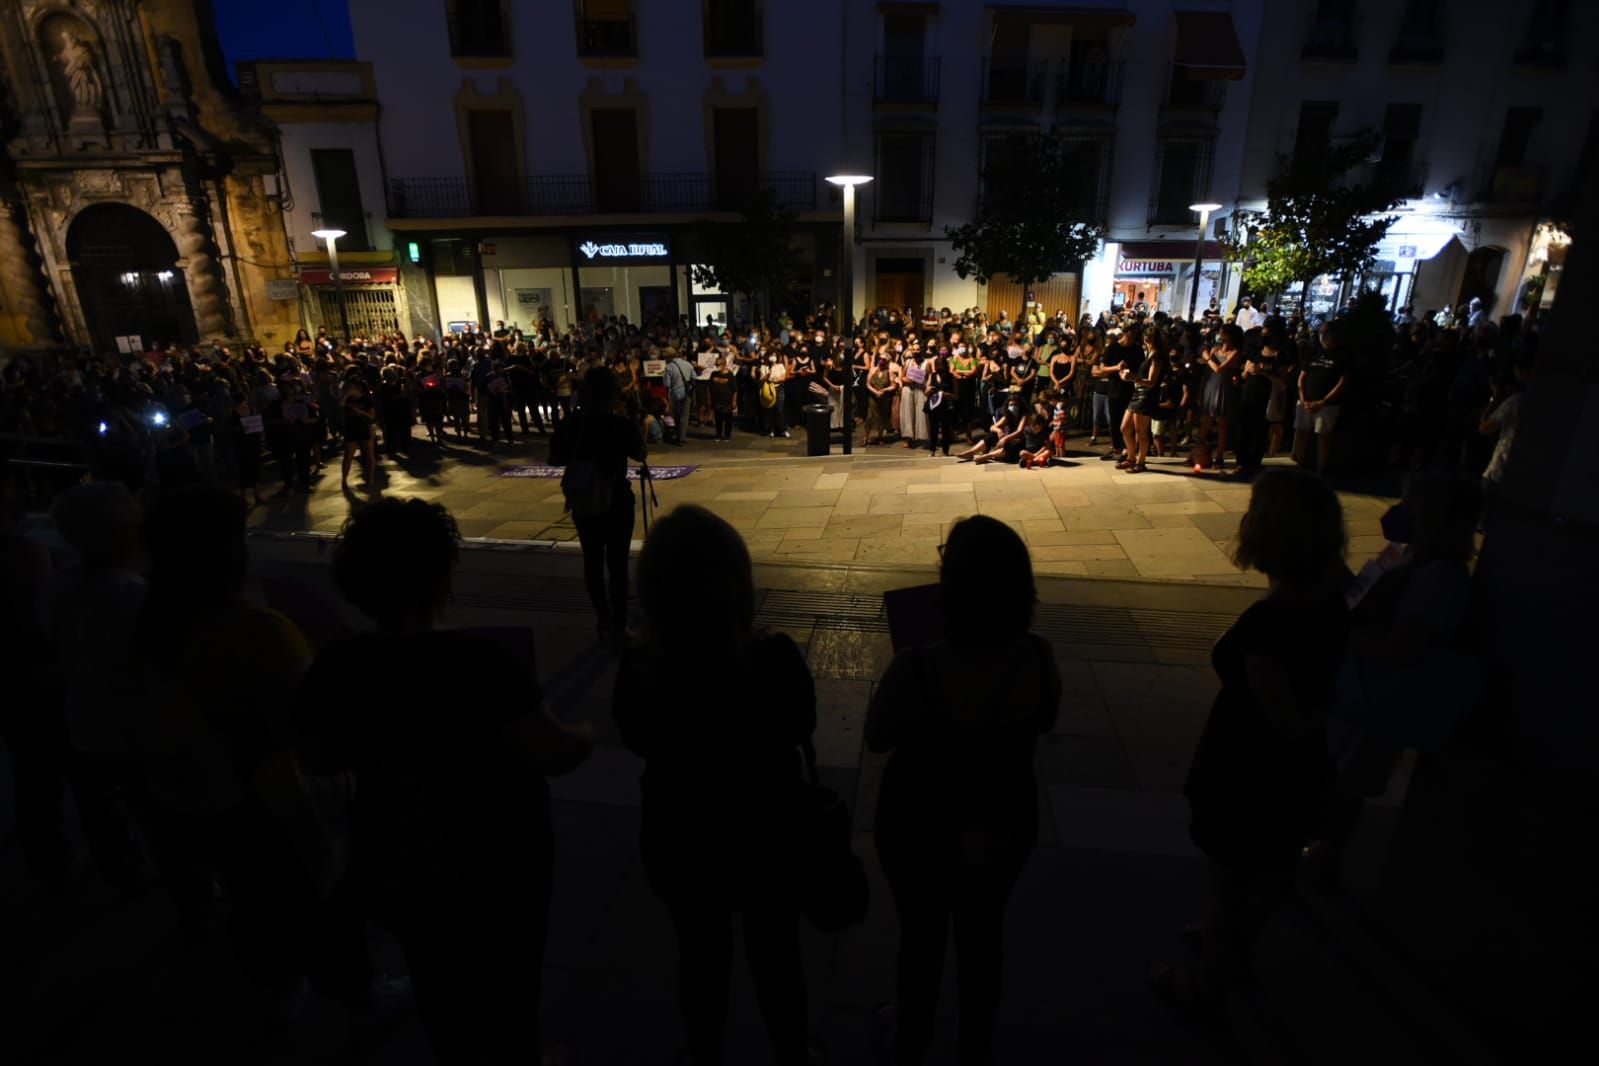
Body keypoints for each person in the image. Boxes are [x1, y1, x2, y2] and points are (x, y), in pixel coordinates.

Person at [298, 499, 592, 1064]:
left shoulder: (343, 665)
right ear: (440, 574)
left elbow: (315, 757)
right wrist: (586, 729)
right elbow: (554, 752)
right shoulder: (480, 661)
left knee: (433, 973)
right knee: (510, 977)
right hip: (497, 854)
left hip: (401, 848)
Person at [614, 506, 818, 1066]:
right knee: (776, 954)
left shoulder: (643, 665)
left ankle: (704, 1052)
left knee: (699, 954)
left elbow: (633, 734)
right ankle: (791, 1051)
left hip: (681, 832)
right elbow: (801, 723)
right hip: (765, 831)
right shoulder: (770, 654)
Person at [868, 516, 1060, 1065]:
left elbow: (878, 736)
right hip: (1003, 820)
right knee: (983, 939)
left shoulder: (919, 666)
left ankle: (912, 1033)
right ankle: (976, 1043)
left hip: (920, 825)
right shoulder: (1038, 657)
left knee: (920, 939)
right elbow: (1046, 719)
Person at [1157, 469, 1348, 1012]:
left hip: (1249, 763)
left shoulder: (1273, 623)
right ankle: (1233, 944)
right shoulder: (1333, 597)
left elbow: (1284, 715)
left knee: (1235, 872)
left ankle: (1210, 983)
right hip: (1299, 768)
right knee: (1268, 867)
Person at [38, 483, 148, 893]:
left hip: (81, 717)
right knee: (147, 804)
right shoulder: (131, 594)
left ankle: (116, 872)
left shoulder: (55, 586)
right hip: (134, 726)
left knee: (98, 809)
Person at [547, 366, 646, 646]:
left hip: (583, 496)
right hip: (616, 498)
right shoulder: (619, 424)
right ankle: (619, 624)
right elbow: (640, 453)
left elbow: (553, 458)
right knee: (617, 564)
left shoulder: (571, 422)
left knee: (592, 561)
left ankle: (602, 618)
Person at [1293, 320, 1350, 475]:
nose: (1322, 337)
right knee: (1301, 433)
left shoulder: (1341, 356)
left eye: (1326, 333)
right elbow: (1302, 377)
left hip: (1326, 405)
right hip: (1306, 401)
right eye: (1320, 333)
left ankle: (1320, 471)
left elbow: (1342, 382)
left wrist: (1323, 401)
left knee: (1323, 437)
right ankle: (1299, 467)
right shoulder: (1314, 352)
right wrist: (1303, 399)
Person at [1118, 328, 1165, 473]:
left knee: (1141, 431)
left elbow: (1151, 381)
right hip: (1138, 393)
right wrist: (1132, 377)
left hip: (1146, 396)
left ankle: (1141, 461)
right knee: (1125, 427)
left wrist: (1132, 378)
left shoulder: (1156, 357)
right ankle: (1131, 457)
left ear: (1147, 339)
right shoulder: (1149, 354)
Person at [341, 376, 378, 489]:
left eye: (351, 388)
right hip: (350, 428)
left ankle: (370, 479)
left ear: (358, 388)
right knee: (348, 455)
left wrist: (359, 411)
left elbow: (372, 416)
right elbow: (339, 406)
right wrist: (346, 395)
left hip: (364, 428)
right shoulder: (347, 399)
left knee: (368, 455)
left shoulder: (367, 399)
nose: (348, 389)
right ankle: (344, 479)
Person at [924, 353, 958, 457]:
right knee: (933, 429)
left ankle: (945, 451)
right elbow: (926, 392)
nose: (939, 368)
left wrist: (946, 394)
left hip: (945, 406)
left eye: (941, 366)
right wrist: (928, 389)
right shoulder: (932, 375)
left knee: (945, 429)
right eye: (937, 365)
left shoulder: (951, 377)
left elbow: (956, 395)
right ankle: (932, 449)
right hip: (933, 406)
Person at [866, 354, 896, 445]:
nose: (881, 360)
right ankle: (866, 436)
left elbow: (893, 385)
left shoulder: (889, 371)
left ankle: (879, 437)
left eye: (884, 359)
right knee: (871, 416)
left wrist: (884, 390)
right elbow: (868, 384)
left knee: (882, 417)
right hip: (873, 396)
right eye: (880, 358)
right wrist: (875, 392)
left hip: (884, 398)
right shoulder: (873, 369)